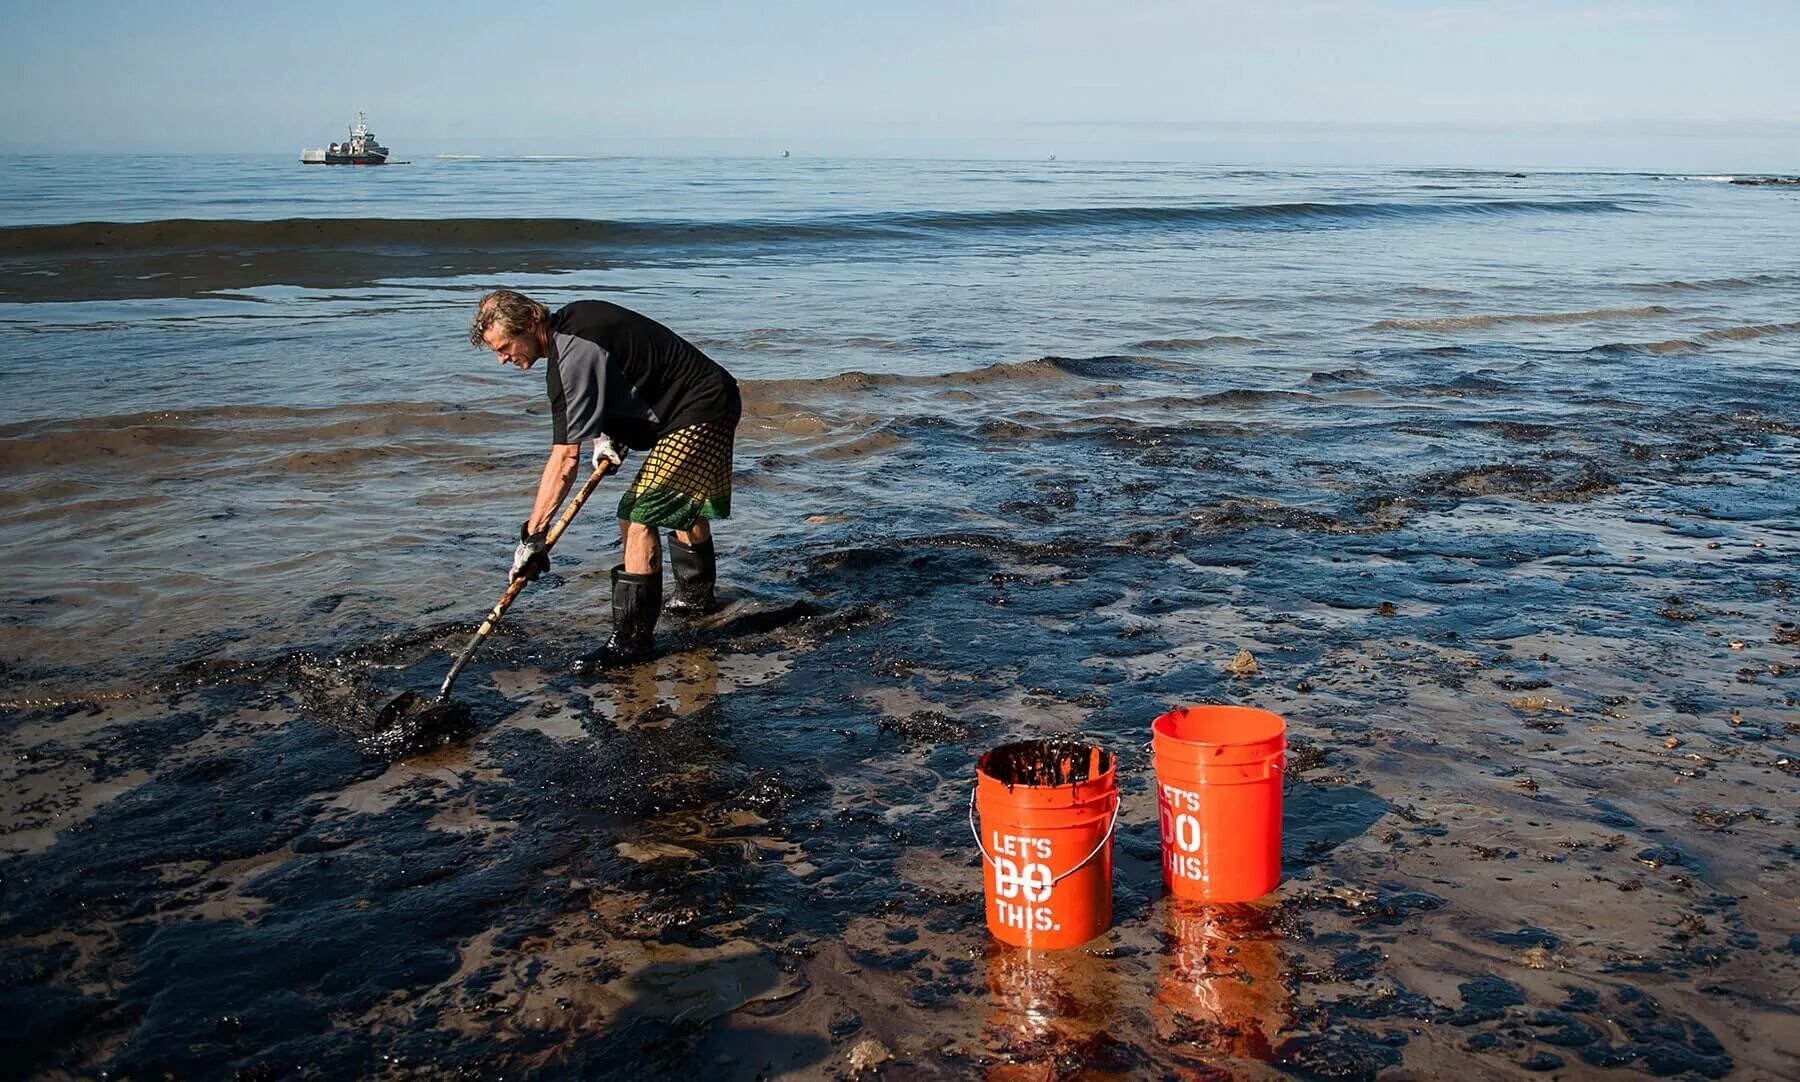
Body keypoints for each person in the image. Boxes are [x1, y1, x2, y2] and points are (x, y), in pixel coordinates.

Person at [469, 290, 740, 672]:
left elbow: (564, 460)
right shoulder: (577, 322)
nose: (502, 359)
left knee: (637, 515)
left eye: (505, 346)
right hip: (706, 398)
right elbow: (622, 370)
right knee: (680, 502)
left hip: (700, 408)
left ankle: (631, 644)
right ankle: (695, 603)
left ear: (531, 322)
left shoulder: (569, 354)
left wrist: (533, 536)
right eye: (496, 351)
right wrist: (606, 434)